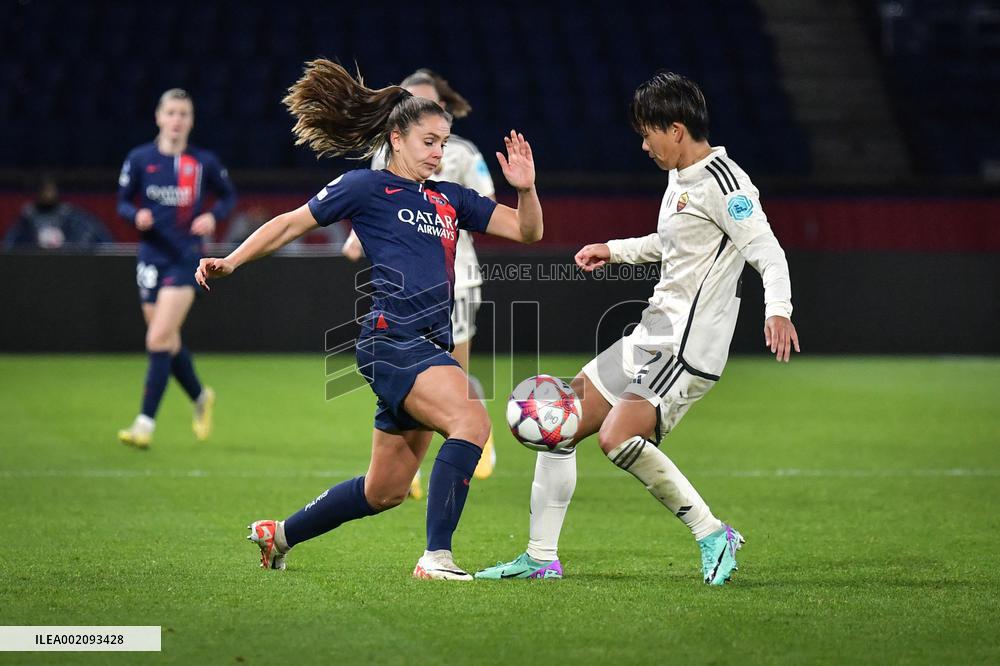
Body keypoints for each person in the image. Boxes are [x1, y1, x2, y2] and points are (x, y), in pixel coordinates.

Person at [195, 59, 543, 580]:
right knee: (472, 420)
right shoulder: (366, 187)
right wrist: (232, 261)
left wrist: (527, 188)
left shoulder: (450, 199)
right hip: (392, 339)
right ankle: (436, 558)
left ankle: (280, 535)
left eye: (443, 143)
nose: (438, 153)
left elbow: (527, 232)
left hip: (426, 343)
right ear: (397, 138)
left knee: (385, 491)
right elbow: (290, 223)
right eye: (428, 141)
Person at [476, 72, 800, 584]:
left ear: (676, 129)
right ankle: (540, 559)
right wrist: (615, 249)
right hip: (651, 334)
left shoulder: (727, 185)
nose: (644, 145)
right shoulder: (680, 178)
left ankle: (713, 533)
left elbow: (767, 251)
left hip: (686, 348)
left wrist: (776, 308)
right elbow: (670, 244)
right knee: (560, 422)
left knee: (615, 437)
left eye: (648, 133)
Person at [343, 68, 497, 499]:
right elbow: (377, 209)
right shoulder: (382, 161)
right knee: (430, 384)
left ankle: (470, 438)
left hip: (458, 277)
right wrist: (358, 238)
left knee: (455, 376)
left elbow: (489, 205)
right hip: (402, 302)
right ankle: (424, 458)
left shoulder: (462, 155)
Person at [116, 88, 237, 448]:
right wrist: (135, 214)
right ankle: (200, 396)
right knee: (168, 340)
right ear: (158, 117)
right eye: (171, 112)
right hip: (151, 257)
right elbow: (122, 201)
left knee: (156, 338)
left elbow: (229, 196)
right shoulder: (139, 159)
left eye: (183, 113)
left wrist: (211, 216)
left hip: (186, 258)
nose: (177, 120)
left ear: (191, 120)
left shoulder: (202, 162)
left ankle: (144, 424)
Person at [4, 175, 113, 250]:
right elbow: (10, 245)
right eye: (45, 191)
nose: (48, 194)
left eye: (51, 190)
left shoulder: (69, 216)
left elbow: (96, 238)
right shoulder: (27, 219)